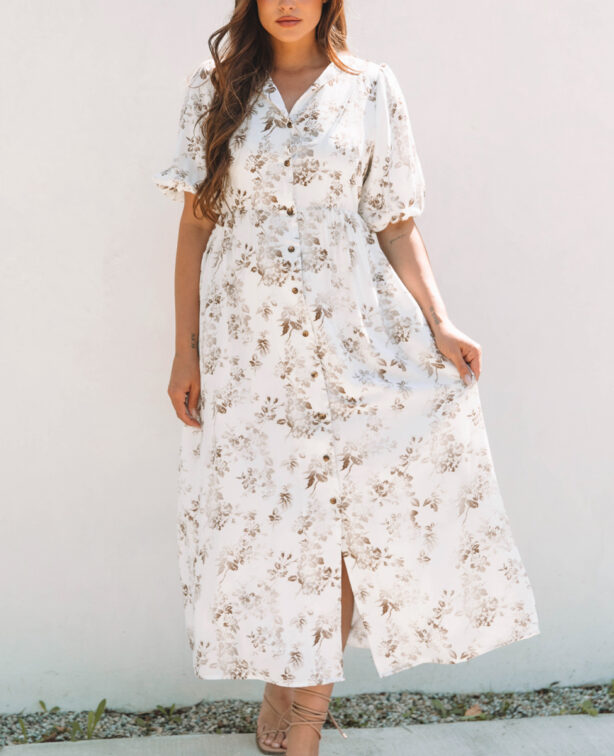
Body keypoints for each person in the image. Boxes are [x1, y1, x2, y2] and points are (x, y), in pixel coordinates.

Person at [152, 1, 541, 754]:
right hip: (250, 352)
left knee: (342, 525)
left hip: (356, 339)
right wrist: (184, 350)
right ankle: (284, 685)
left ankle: (306, 720)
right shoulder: (215, 86)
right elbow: (197, 223)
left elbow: (394, 220)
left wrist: (440, 321)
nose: (287, 4)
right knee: (274, 529)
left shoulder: (370, 87)